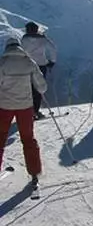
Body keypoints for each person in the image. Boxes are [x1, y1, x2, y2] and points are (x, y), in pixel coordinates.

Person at [0, 37, 46, 191]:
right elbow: (41, 85)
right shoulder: (28, 62)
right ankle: (34, 173)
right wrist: (40, 90)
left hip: (4, 106)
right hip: (25, 107)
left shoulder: (2, 63)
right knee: (28, 139)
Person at [21, 21, 57, 120]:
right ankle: (35, 111)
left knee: (28, 89)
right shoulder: (43, 39)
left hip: (27, 65)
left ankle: (27, 111)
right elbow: (53, 49)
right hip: (41, 65)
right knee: (39, 88)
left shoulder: (24, 39)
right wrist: (52, 61)